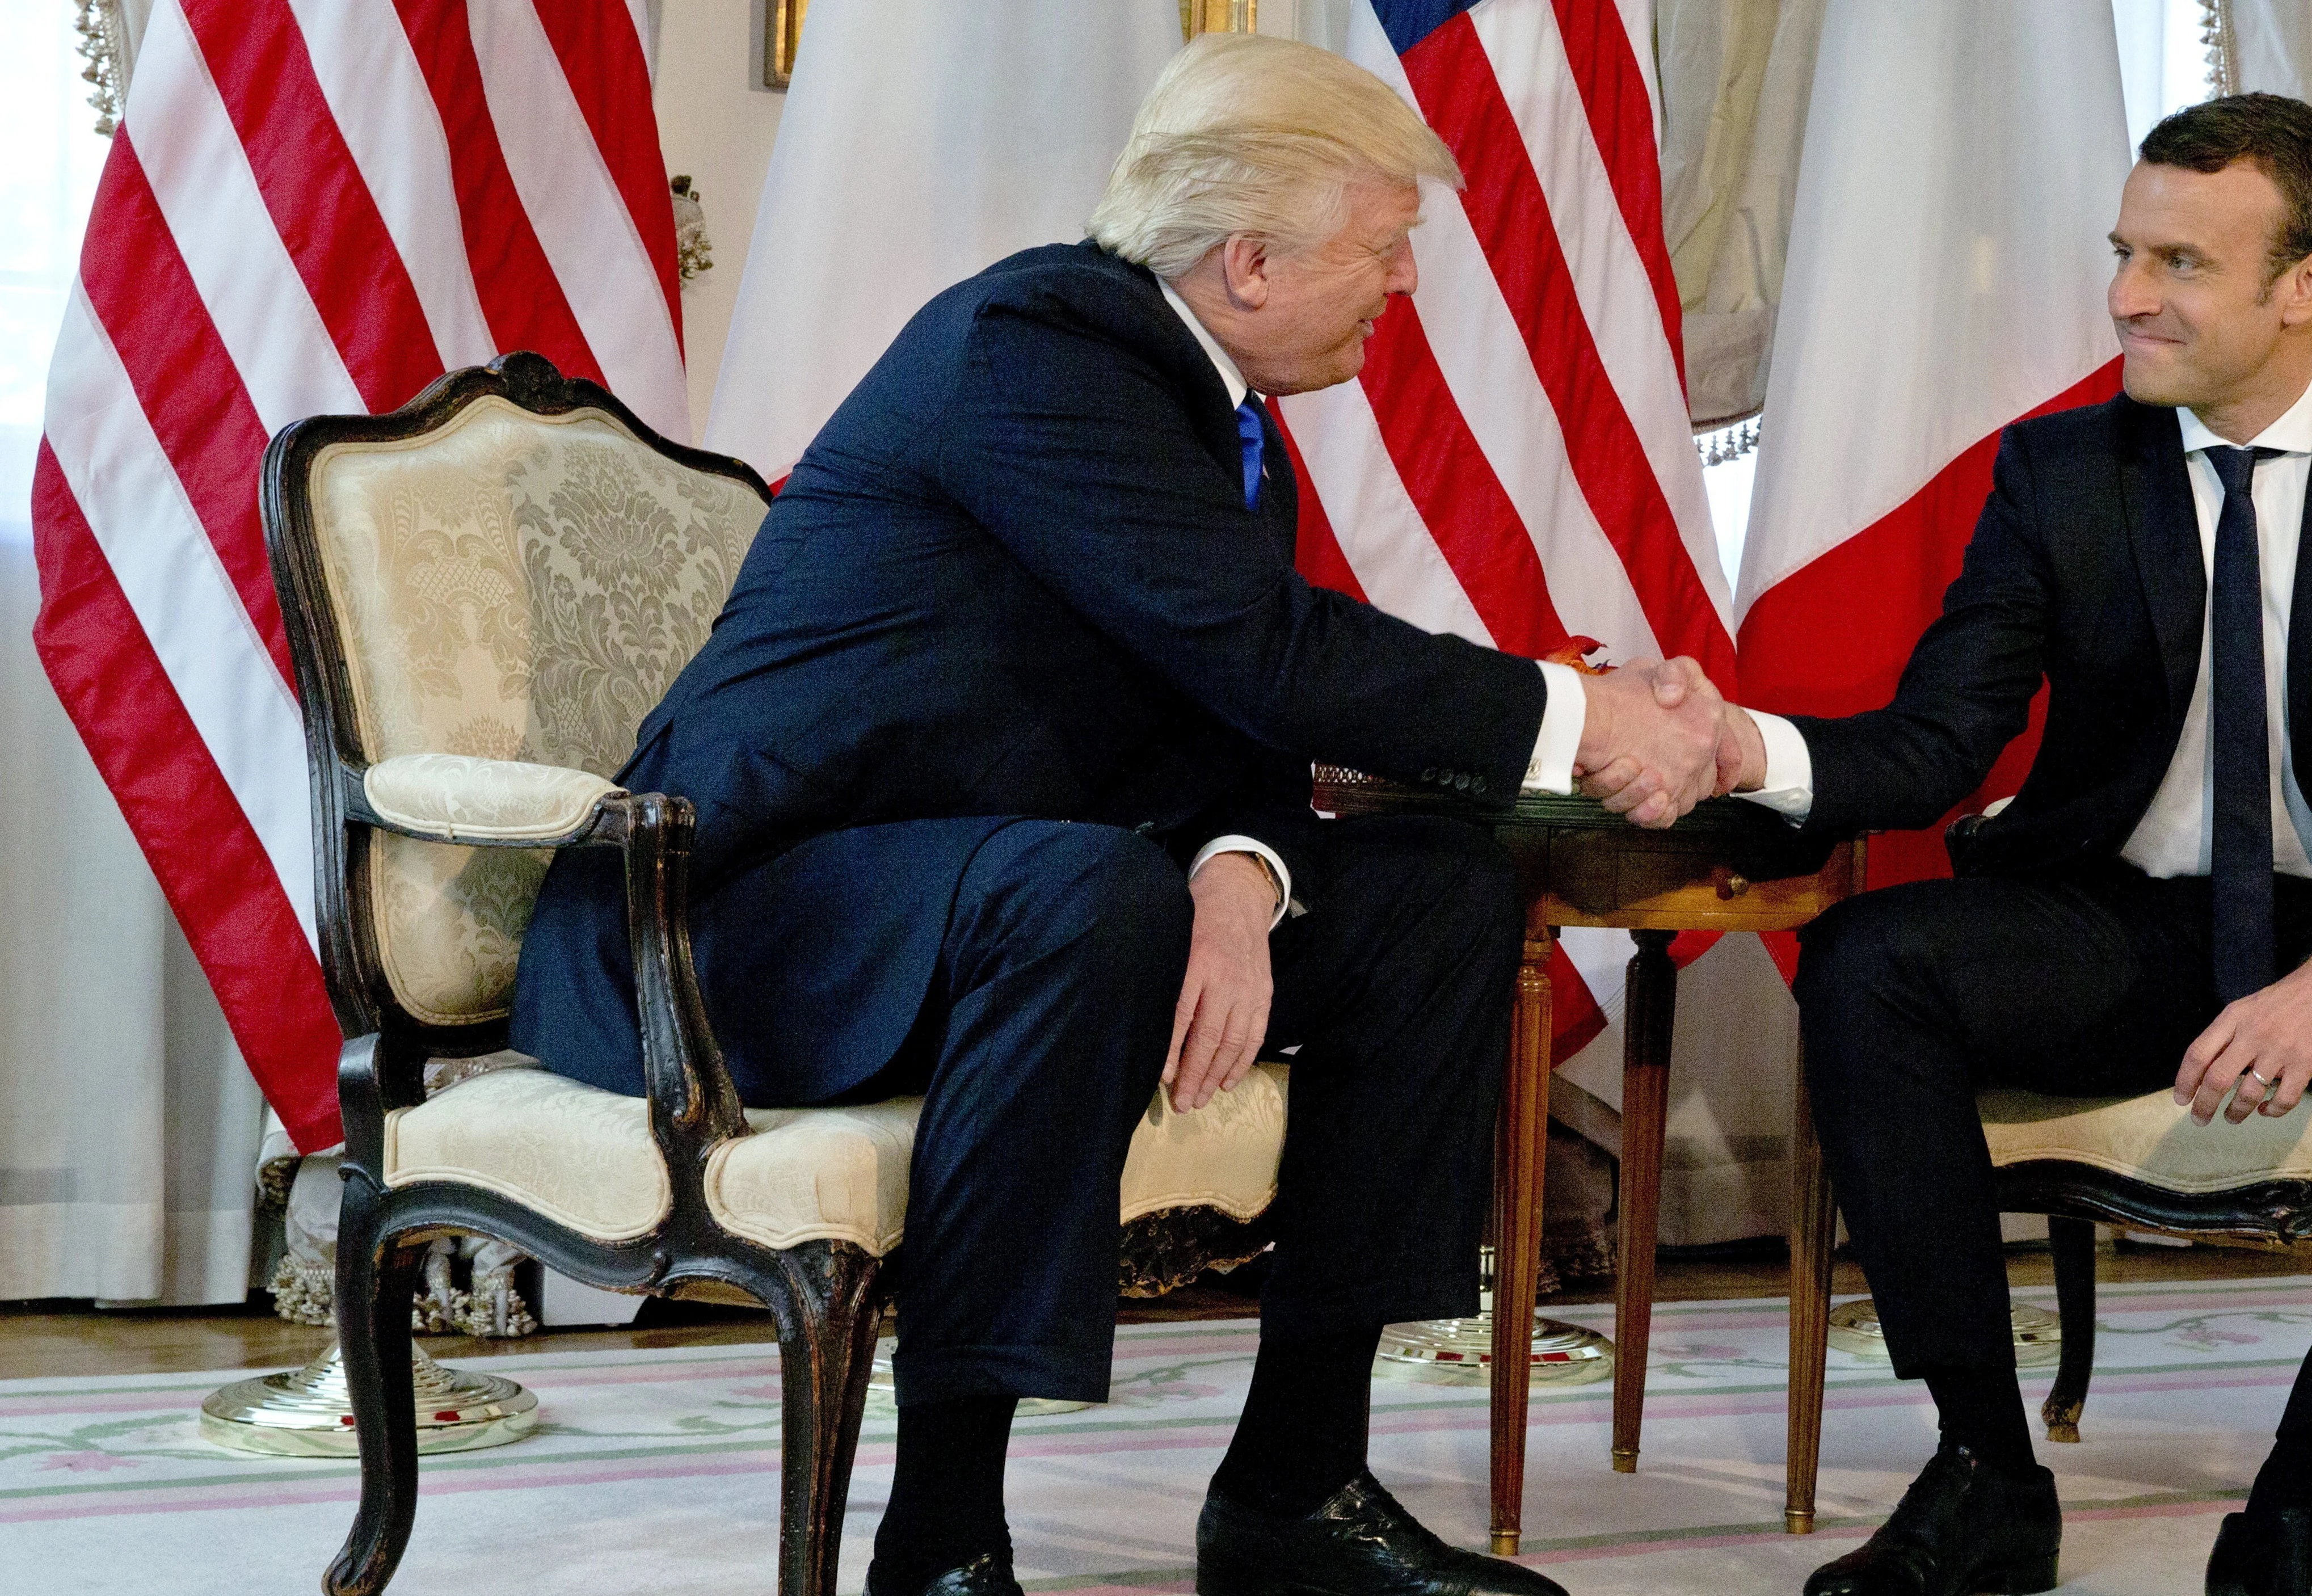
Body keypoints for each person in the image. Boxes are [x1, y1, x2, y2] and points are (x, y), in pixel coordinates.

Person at [509, 33, 1720, 1596]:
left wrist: (1242, 873)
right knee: (1083, 894)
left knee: (1433, 888)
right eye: (1385, 244)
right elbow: (1267, 652)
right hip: (743, 912)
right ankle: (942, 1535)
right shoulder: (1036, 352)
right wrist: (1586, 715)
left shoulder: (1212, 415)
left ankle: (1295, 1485)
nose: (1404, 282)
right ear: (1251, 261)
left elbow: (1223, 705)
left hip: (993, 882)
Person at [1699, 94, 2312, 1596]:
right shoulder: (2063, 474)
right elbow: (1936, 744)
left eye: (2178, 261)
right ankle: (1983, 1466)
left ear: (2302, 283)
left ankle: (2300, 1506)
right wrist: (1746, 747)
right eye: (2125, 252)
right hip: (2127, 917)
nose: (2125, 294)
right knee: (1873, 961)